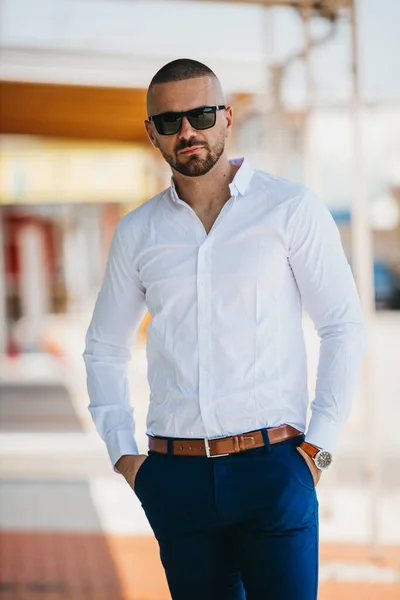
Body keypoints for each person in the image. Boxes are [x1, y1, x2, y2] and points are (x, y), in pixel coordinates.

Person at [82, 58, 367, 600]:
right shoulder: (138, 232)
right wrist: (125, 457)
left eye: (201, 114)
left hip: (276, 471)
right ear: (153, 134)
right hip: (175, 478)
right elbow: (103, 349)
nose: (187, 130)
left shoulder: (290, 210)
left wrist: (319, 454)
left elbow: (343, 326)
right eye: (170, 122)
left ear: (227, 118)